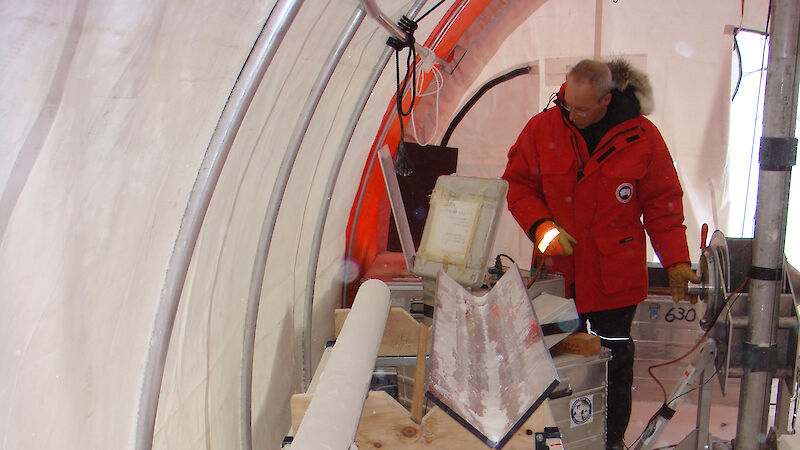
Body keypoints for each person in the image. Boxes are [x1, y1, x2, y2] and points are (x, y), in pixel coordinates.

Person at [502, 59, 700, 449]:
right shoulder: (543, 128)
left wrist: (676, 261)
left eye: (582, 108)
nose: (571, 115)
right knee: (553, 362)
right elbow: (519, 186)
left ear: (606, 101)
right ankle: (554, 439)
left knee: (612, 363)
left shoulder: (642, 137)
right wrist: (542, 228)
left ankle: (608, 440)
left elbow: (663, 205)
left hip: (614, 280)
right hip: (558, 276)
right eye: (566, 104)